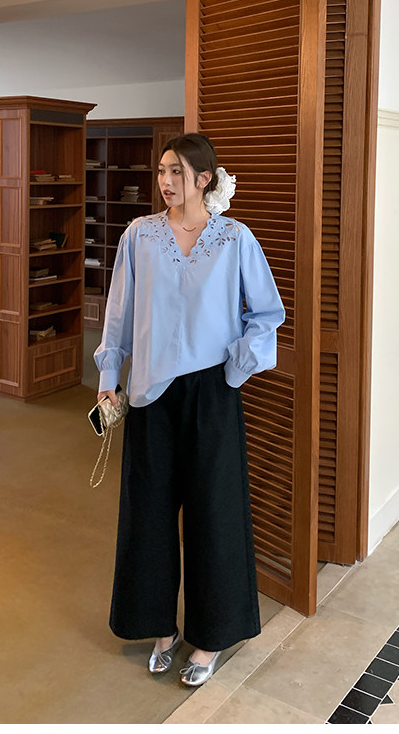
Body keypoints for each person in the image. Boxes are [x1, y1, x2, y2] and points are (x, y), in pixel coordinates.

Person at [94, 132, 285, 686]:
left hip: (211, 392)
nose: (165, 181)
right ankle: (159, 627)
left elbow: (267, 313)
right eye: (161, 171)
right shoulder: (139, 235)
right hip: (150, 392)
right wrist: (109, 378)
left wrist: (235, 370)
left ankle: (210, 637)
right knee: (148, 515)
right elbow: (119, 314)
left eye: (176, 171)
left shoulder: (234, 238)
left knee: (214, 514)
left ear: (204, 178)